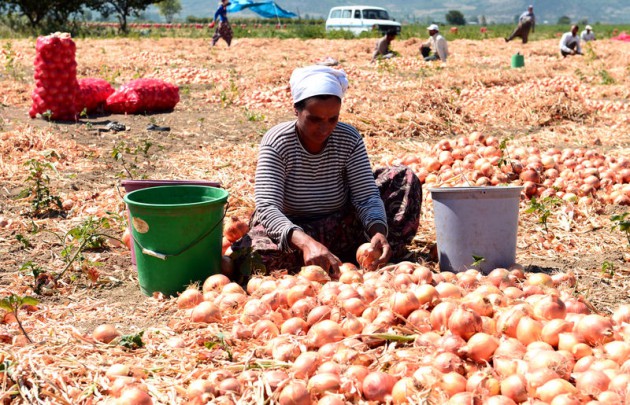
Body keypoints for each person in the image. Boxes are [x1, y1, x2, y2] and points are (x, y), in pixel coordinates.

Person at [230, 65, 422, 279]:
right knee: (252, 258)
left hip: (341, 224)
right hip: (295, 230)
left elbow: (366, 195)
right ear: (296, 109)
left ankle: (373, 256)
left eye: (333, 119)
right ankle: (324, 259)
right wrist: (306, 243)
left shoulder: (348, 138)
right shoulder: (277, 142)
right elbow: (267, 207)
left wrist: (378, 231)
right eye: (314, 119)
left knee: (403, 179)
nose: (324, 128)